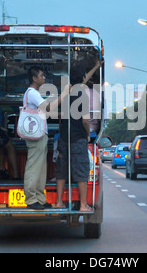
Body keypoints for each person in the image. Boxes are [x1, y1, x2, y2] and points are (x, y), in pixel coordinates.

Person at [23, 66, 70, 210]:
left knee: (41, 167)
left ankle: (40, 198)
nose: (44, 78)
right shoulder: (32, 93)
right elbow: (48, 108)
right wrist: (64, 95)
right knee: (34, 167)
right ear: (34, 78)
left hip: (39, 134)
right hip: (36, 135)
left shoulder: (34, 93)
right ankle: (31, 199)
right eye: (42, 76)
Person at [55, 65, 92, 212]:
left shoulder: (65, 95)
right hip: (78, 138)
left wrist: (95, 66)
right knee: (81, 172)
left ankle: (59, 202)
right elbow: (85, 120)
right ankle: (83, 205)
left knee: (62, 170)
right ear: (83, 79)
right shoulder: (82, 96)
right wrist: (88, 133)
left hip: (64, 137)